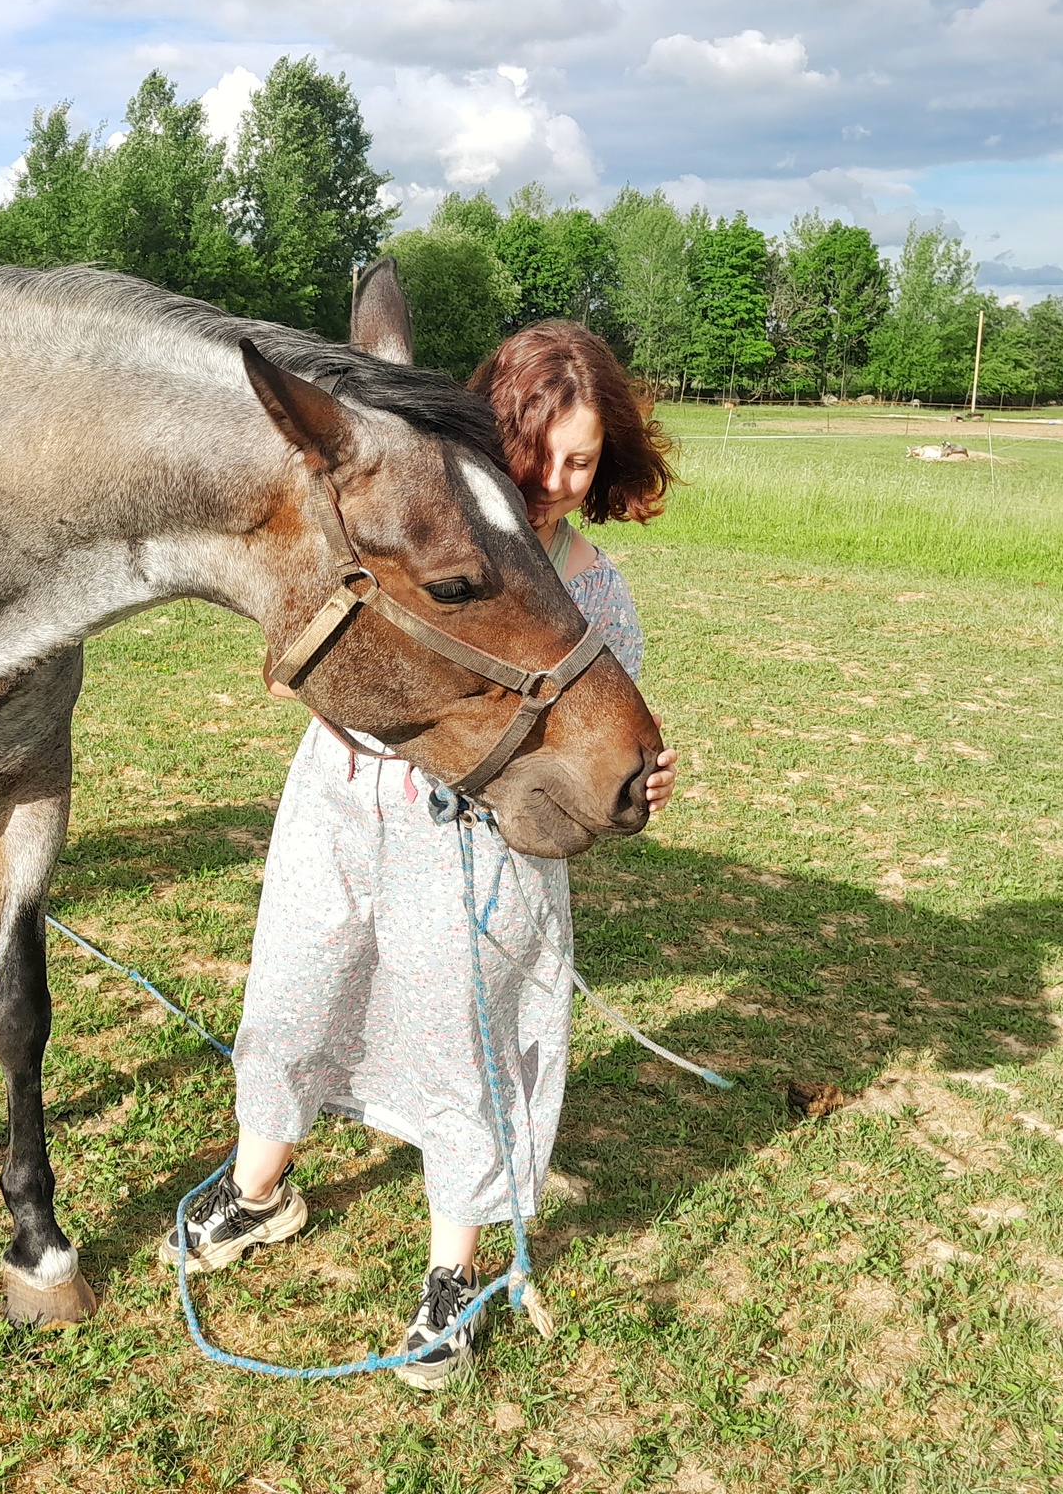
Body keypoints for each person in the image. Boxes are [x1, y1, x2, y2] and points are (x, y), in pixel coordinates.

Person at [160, 321, 680, 1389]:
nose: (548, 479)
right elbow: (304, 653)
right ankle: (259, 1191)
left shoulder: (594, 588)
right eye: (528, 449)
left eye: (577, 460)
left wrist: (640, 779)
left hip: (473, 848)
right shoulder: (411, 531)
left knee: (462, 1049)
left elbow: (595, 742)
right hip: (344, 810)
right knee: (292, 996)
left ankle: (453, 1273)